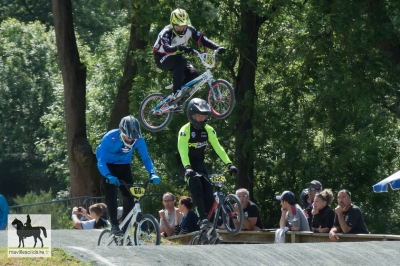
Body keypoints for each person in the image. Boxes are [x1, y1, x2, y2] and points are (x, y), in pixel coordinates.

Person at [177, 98, 238, 230]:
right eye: (198, 116)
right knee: (197, 186)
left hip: (199, 162)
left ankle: (212, 224)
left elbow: (218, 147)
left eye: (204, 116)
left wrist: (229, 164)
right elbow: (182, 151)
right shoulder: (185, 130)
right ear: (191, 115)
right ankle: (203, 219)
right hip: (185, 163)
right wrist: (187, 167)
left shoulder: (209, 130)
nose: (201, 119)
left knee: (209, 191)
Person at [96, 115, 160, 235]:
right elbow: (101, 160)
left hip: (124, 166)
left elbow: (146, 158)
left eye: (133, 138)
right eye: (128, 137)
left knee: (130, 195)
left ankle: (125, 229)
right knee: (111, 191)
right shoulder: (110, 138)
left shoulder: (139, 139)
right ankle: (114, 224)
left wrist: (152, 173)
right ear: (121, 132)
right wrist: (108, 175)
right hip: (108, 166)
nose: (131, 140)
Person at [153, 8, 226, 111]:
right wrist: (181, 48)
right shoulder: (167, 32)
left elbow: (203, 40)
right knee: (181, 60)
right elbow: (167, 49)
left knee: (194, 74)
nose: (181, 28)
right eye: (178, 26)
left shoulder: (190, 30)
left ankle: (177, 99)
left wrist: (217, 47)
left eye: (183, 25)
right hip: (161, 57)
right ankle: (176, 93)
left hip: (175, 57)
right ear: (173, 24)